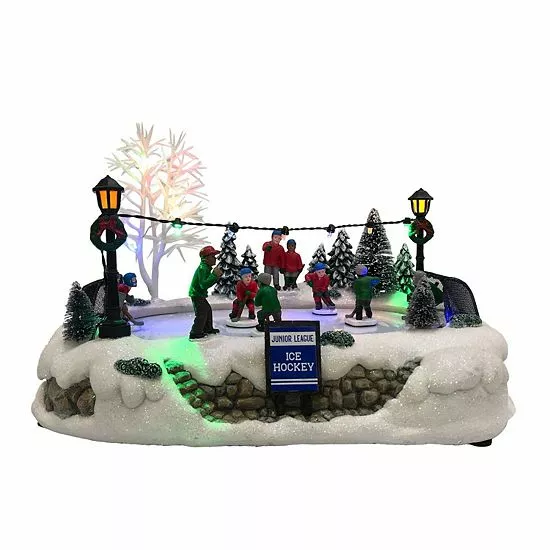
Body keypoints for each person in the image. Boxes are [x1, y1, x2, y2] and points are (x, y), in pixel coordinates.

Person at [189, 246, 223, 340]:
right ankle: (195, 332)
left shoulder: (206, 267)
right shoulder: (202, 268)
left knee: (207, 310)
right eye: (213, 256)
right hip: (196, 294)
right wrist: (214, 275)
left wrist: (215, 276)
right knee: (202, 313)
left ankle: (207, 328)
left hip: (199, 294)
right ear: (206, 258)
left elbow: (206, 283)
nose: (215, 258)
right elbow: (203, 284)